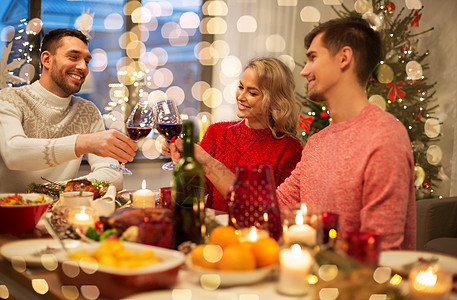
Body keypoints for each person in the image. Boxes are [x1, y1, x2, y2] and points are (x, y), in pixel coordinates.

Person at [177, 17, 416, 251]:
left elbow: (383, 253)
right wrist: (206, 162)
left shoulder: (384, 137)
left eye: (313, 58)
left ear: (344, 58)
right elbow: (269, 209)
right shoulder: (317, 143)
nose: (305, 71)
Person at [0, 28, 137, 192]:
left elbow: (112, 174)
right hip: (12, 211)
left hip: (64, 210)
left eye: (86, 61)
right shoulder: (9, 98)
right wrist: (83, 143)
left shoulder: (87, 111)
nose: (83, 67)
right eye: (73, 57)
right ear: (47, 60)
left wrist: (59, 190)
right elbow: (14, 154)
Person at [164, 57, 303, 212]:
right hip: (215, 231)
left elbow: (280, 210)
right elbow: (194, 192)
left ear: (274, 101)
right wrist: (184, 162)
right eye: (241, 87)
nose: (241, 97)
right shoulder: (217, 133)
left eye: (252, 92)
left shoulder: (289, 149)